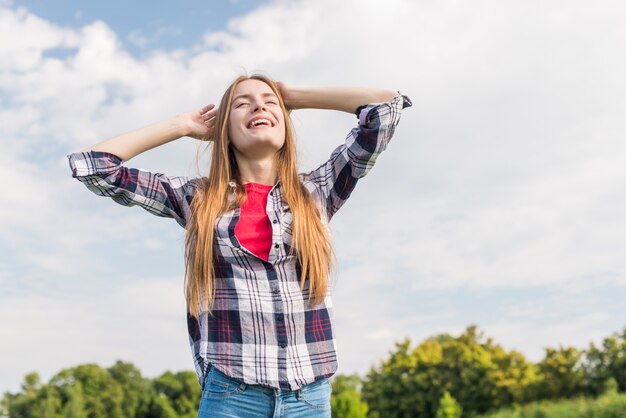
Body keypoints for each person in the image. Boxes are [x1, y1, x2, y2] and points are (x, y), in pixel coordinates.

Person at [67, 74, 411, 417]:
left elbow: (385, 109)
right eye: (242, 103)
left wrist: (294, 95)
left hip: (309, 399)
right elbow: (95, 166)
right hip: (232, 396)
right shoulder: (199, 198)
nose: (259, 104)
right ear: (223, 129)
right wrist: (182, 125)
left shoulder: (317, 191)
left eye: (268, 101)